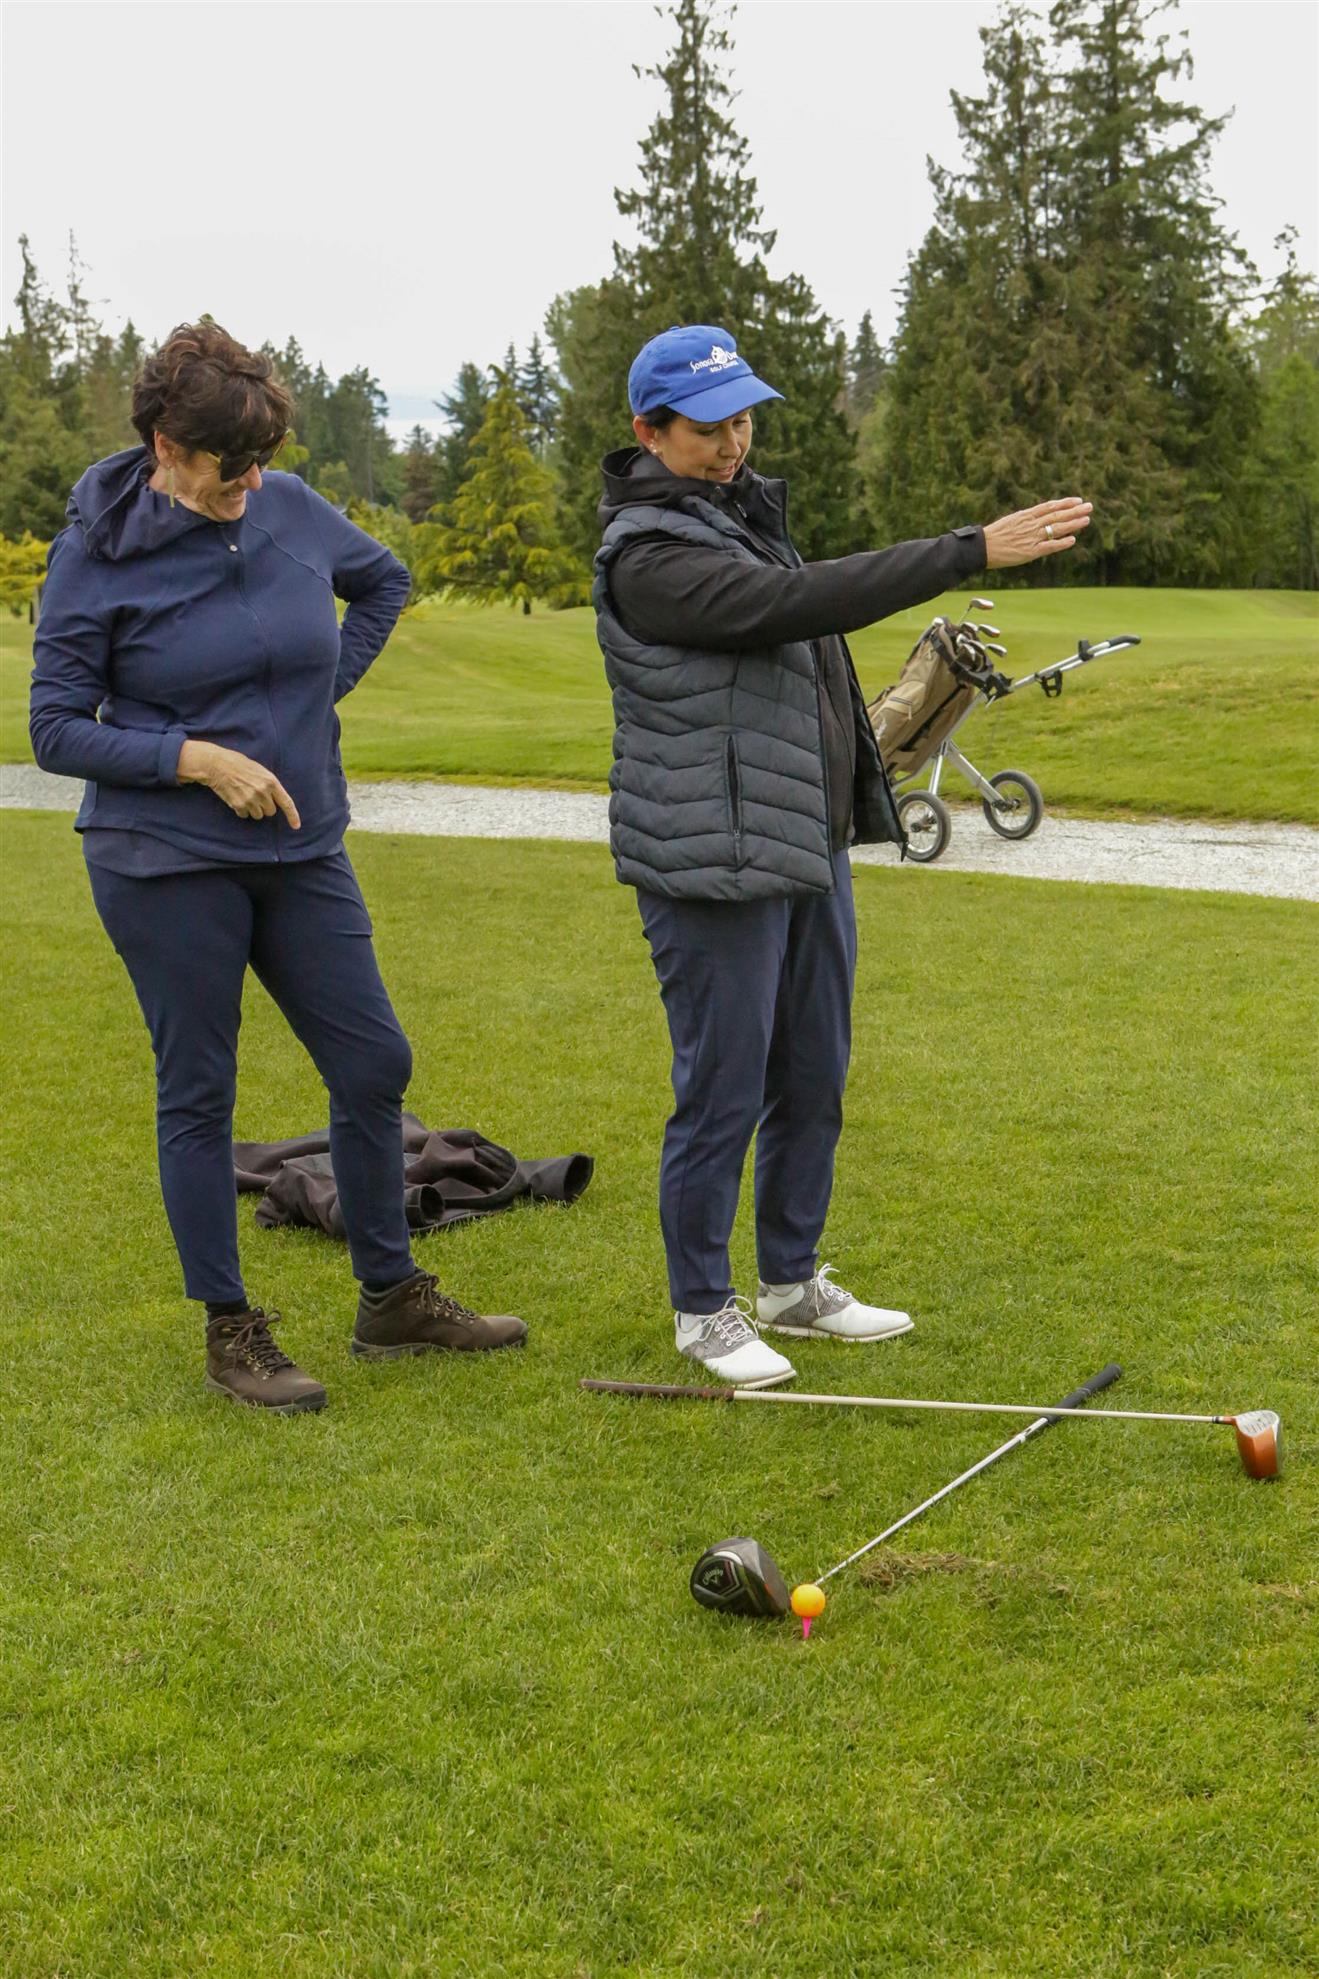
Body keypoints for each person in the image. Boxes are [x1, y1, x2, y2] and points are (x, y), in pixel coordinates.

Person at [29, 321, 527, 1415]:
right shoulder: (93, 556)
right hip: (163, 858)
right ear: (166, 447)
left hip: (302, 845)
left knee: (374, 1062)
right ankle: (231, 1329)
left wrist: (312, 699)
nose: (251, 483)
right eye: (229, 464)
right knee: (199, 1090)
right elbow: (54, 729)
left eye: (263, 460)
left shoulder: (289, 508)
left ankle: (390, 1298)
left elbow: (384, 581)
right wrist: (196, 758)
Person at [595, 324, 1091, 1388]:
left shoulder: (739, 520)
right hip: (710, 855)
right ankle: (701, 1310)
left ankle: (788, 1281)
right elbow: (796, 604)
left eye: (742, 420)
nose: (733, 442)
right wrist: (964, 550)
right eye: (708, 427)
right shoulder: (646, 556)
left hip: (800, 839)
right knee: (722, 1087)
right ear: (648, 432)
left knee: (813, 1070)